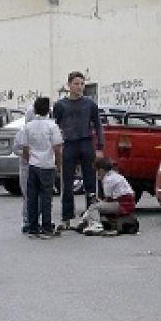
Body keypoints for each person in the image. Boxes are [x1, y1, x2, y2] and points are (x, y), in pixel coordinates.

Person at [53, 71, 104, 230]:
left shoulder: (90, 104)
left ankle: (91, 217)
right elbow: (54, 127)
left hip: (86, 143)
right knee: (66, 183)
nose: (80, 87)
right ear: (69, 85)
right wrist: (56, 149)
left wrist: (100, 147)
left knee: (90, 182)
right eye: (76, 84)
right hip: (68, 144)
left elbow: (98, 125)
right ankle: (66, 218)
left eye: (82, 84)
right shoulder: (60, 105)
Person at [13, 97, 63, 239]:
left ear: (34, 110)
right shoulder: (52, 126)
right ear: (49, 110)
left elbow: (25, 148)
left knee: (32, 197)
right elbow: (57, 148)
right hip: (47, 165)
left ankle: (33, 227)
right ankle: (46, 227)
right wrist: (58, 165)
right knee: (46, 197)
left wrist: (30, 161)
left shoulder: (28, 126)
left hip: (33, 165)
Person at [78, 156, 136, 237]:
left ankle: (96, 225)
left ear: (101, 170)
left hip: (121, 204)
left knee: (93, 207)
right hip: (127, 203)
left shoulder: (107, 180)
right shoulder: (116, 175)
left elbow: (108, 199)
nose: (97, 174)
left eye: (97, 171)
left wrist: (98, 202)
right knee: (98, 206)